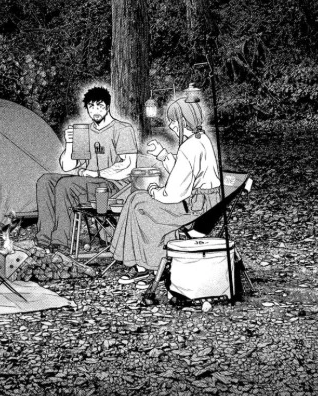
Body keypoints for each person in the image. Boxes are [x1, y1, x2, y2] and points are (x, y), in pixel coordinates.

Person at [110, 98, 221, 279]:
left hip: (195, 209)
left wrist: (154, 190)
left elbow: (173, 194)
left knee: (139, 204)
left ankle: (148, 266)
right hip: (204, 204)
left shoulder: (190, 147)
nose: (171, 125)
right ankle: (145, 264)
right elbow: (182, 171)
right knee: (137, 200)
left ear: (184, 120)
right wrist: (162, 154)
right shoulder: (201, 140)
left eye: (173, 120)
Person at [35, 87, 138, 250]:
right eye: (91, 106)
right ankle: (43, 240)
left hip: (113, 187)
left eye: (100, 106)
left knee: (66, 185)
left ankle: (60, 241)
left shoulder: (122, 129)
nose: (95, 111)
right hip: (87, 185)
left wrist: (97, 173)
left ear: (108, 106)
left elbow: (128, 165)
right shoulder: (84, 131)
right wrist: (69, 144)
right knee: (45, 181)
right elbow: (68, 166)